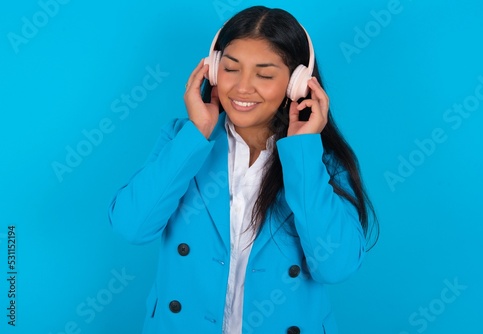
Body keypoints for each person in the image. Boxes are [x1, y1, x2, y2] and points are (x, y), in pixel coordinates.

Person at [108, 5, 378, 334]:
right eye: (231, 69)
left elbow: (335, 267)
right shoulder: (182, 139)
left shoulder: (319, 161)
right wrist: (195, 134)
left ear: (297, 83)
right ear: (213, 69)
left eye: (264, 74)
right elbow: (131, 227)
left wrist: (303, 153)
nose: (242, 88)